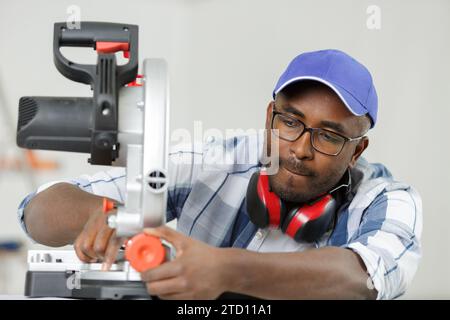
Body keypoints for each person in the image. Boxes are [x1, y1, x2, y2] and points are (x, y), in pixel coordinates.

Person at [18, 49, 422, 300]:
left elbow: (364, 278)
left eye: (330, 137)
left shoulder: (389, 200)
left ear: (359, 150)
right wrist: (102, 214)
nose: (300, 148)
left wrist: (224, 270)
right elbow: (38, 209)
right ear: (269, 117)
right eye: (290, 122)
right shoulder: (217, 159)